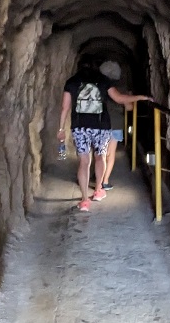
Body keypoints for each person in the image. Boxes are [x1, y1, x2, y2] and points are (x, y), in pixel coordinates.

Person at [58, 62, 149, 211]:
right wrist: (141, 97)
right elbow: (119, 98)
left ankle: (85, 200)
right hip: (101, 127)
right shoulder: (102, 80)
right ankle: (99, 190)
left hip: (80, 127)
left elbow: (65, 108)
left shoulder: (72, 82)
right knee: (100, 157)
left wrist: (61, 129)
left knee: (84, 161)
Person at [99, 60, 125, 189]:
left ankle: (98, 178)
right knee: (111, 153)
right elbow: (129, 107)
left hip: (100, 122)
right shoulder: (121, 89)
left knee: (100, 152)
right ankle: (105, 181)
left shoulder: (99, 86)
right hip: (116, 123)